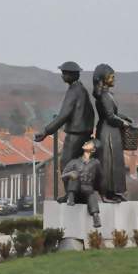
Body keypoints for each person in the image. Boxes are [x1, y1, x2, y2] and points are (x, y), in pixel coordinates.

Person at [35, 61, 95, 199]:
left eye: (64, 73)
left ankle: (71, 194)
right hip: (83, 133)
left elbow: (64, 115)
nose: (62, 75)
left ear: (71, 75)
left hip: (76, 134)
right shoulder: (81, 90)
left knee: (66, 164)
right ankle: (75, 194)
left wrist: (46, 131)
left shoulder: (74, 91)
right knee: (76, 165)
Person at [92, 64, 132, 203]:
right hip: (106, 132)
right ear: (104, 78)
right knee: (106, 163)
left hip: (113, 133)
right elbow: (109, 116)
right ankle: (104, 193)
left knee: (116, 163)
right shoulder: (103, 96)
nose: (114, 79)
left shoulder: (109, 95)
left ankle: (115, 191)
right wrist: (122, 123)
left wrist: (124, 117)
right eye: (111, 76)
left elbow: (114, 113)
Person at [61, 139, 102, 228]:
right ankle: (70, 198)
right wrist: (69, 174)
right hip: (75, 191)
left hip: (88, 189)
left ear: (93, 149)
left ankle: (95, 216)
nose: (85, 142)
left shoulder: (96, 163)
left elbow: (100, 178)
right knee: (74, 175)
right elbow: (63, 176)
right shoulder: (74, 162)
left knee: (91, 195)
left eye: (88, 143)